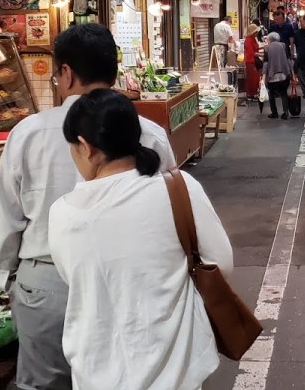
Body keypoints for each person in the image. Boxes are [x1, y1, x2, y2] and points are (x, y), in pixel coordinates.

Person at [0, 24, 178, 390]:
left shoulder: (28, 133)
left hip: (48, 284)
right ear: (114, 73)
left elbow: (4, 221)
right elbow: (168, 211)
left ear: (66, 73)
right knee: (125, 380)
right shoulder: (149, 134)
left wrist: (11, 282)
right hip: (129, 281)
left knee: (45, 385)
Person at [49, 89, 232, 390]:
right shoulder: (179, 189)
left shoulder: (62, 214)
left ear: (86, 147)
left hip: (96, 369)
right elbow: (220, 264)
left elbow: (74, 278)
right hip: (179, 369)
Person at [261, 32, 293, 119]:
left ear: (269, 39)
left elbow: (266, 63)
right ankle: (286, 112)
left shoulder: (267, 48)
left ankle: (274, 112)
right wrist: (292, 73)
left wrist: (263, 76)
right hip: (284, 74)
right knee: (283, 93)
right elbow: (289, 60)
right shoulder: (284, 46)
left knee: (271, 93)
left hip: (272, 74)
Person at [243, 23, 263, 99]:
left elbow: (256, 49)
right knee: (253, 78)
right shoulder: (248, 40)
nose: (257, 33)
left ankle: (254, 93)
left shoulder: (253, 39)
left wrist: (264, 48)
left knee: (256, 77)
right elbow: (252, 53)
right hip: (250, 61)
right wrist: (262, 55)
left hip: (254, 60)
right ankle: (251, 94)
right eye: (256, 32)